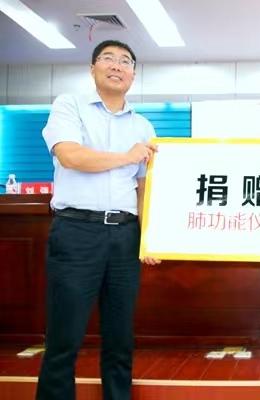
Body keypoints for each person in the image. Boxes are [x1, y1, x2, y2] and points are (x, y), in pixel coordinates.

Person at [37, 40, 160, 400]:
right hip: (77, 232)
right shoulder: (69, 105)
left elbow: (144, 187)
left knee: (120, 338)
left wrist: (149, 237)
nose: (117, 66)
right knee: (64, 338)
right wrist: (126, 156)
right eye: (108, 58)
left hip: (124, 237)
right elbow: (71, 156)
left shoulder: (143, 126)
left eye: (126, 61)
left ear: (133, 74)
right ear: (92, 68)